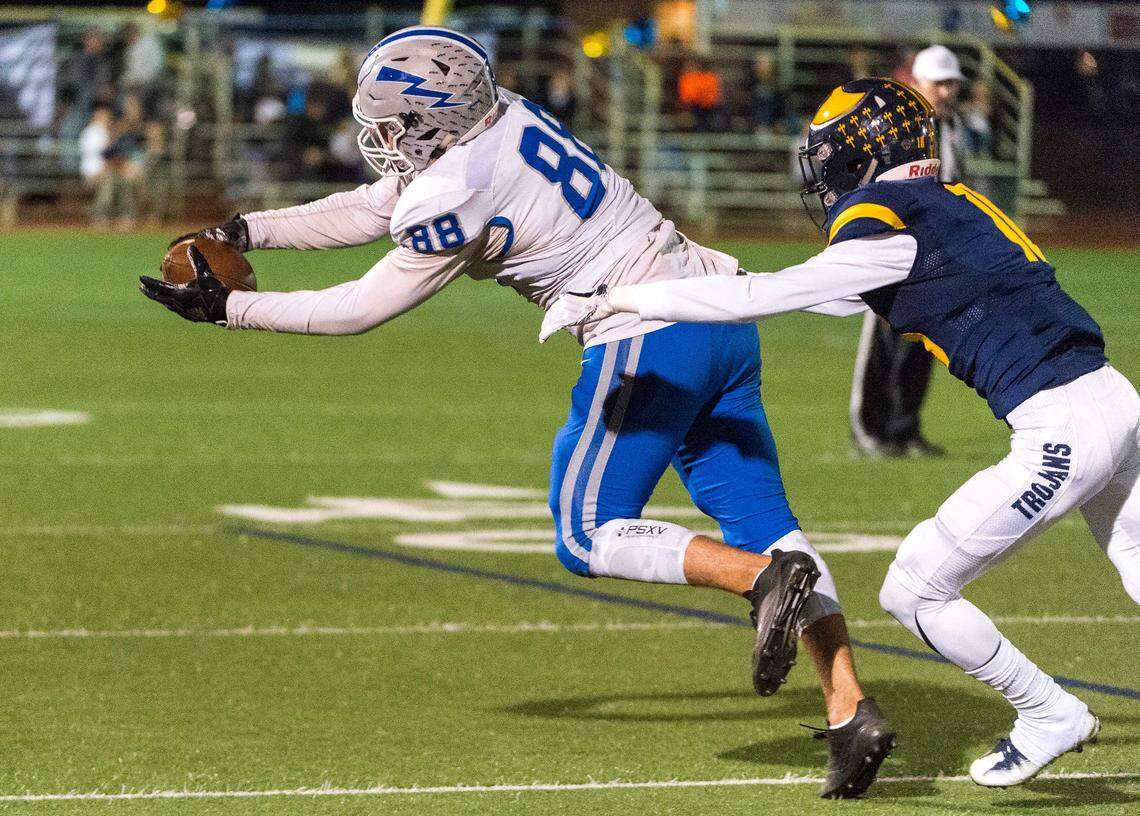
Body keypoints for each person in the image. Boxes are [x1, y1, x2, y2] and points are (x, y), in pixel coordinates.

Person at [139, 26, 893, 799]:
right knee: (768, 518)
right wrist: (248, 231)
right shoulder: (506, 114)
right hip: (719, 316)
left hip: (646, 334)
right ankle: (848, 711)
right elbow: (378, 205)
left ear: (434, 118)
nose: (387, 140)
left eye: (396, 124)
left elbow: (359, 308)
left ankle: (759, 579)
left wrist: (232, 309)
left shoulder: (456, 188)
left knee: (586, 532)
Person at [542, 76, 1139, 787]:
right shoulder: (951, 203)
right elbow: (830, 293)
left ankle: (1047, 712)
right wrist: (738, 278)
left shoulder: (891, 225)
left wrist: (621, 296)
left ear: (862, 156)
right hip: (1113, 399)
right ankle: (1048, 712)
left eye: (830, 162)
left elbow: (769, 298)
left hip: (1061, 426)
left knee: (914, 591)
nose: (826, 179)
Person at [848, 44, 969, 458]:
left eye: (952, 83)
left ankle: (905, 429)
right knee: (881, 343)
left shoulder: (950, 126)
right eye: (940, 83)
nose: (947, 91)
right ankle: (870, 430)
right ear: (917, 82)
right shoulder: (898, 127)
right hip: (895, 249)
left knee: (922, 344)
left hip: (934, 251)